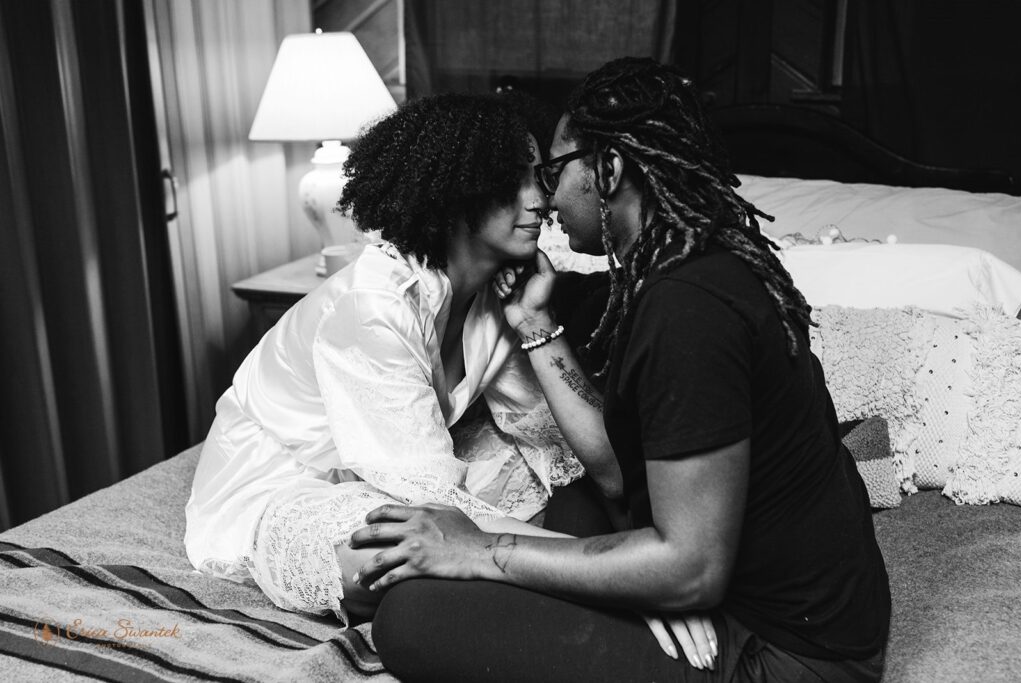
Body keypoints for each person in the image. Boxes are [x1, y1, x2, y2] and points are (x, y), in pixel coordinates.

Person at [351, 58, 892, 682]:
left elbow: (690, 569)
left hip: (789, 657)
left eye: (554, 173)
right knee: (576, 499)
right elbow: (614, 472)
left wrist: (481, 549)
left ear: (607, 170)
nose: (546, 200)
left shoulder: (688, 310)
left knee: (412, 618)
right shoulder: (683, 267)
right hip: (788, 610)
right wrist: (533, 326)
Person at [184, 92, 591, 624]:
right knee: (384, 563)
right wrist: (610, 576)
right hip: (287, 477)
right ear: (456, 191)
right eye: (511, 179)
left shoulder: (501, 292)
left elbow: (545, 430)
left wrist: (535, 320)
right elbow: (437, 504)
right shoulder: (373, 304)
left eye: (539, 176)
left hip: (388, 461)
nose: (538, 198)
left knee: (538, 474)